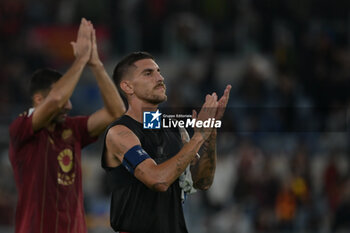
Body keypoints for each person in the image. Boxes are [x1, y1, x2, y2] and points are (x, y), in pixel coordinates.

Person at [8, 18, 125, 233]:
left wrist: (95, 63)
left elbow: (116, 112)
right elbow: (56, 100)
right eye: (65, 100)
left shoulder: (73, 129)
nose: (69, 105)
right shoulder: (21, 128)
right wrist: (80, 60)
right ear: (38, 100)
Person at [102, 52, 231, 233]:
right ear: (127, 87)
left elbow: (202, 182)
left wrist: (210, 133)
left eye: (159, 71)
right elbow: (158, 180)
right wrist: (199, 135)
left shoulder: (175, 130)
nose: (160, 77)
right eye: (148, 73)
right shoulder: (120, 133)